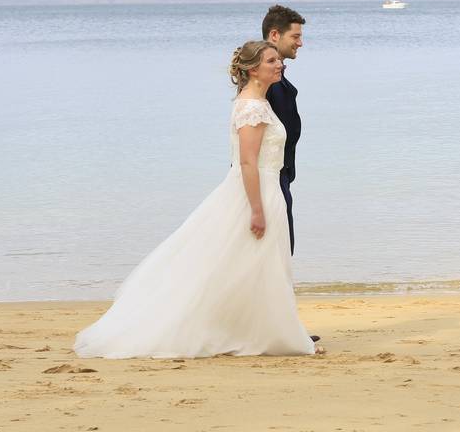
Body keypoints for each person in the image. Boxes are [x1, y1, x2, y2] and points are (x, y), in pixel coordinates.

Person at [73, 41, 316, 358]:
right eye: (271, 61)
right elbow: (246, 162)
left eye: (277, 60)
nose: (279, 64)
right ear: (253, 69)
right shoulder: (252, 108)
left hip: (266, 189)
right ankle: (260, 334)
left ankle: (262, 330)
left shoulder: (258, 101)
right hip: (255, 193)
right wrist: (256, 209)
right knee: (242, 264)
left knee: (255, 267)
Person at [261, 5, 306, 255]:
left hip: (280, 175)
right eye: (296, 37)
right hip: (270, 177)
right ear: (275, 35)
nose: (300, 43)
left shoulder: (277, 78)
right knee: (277, 250)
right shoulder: (263, 82)